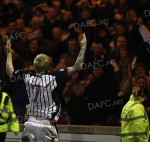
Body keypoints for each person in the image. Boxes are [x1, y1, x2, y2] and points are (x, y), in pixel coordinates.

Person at [6, 33, 87, 142]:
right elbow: (77, 67)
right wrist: (83, 47)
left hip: (30, 124)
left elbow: (10, 71)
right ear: (49, 67)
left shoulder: (28, 75)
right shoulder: (55, 78)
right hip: (46, 125)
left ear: (35, 66)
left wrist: (9, 53)